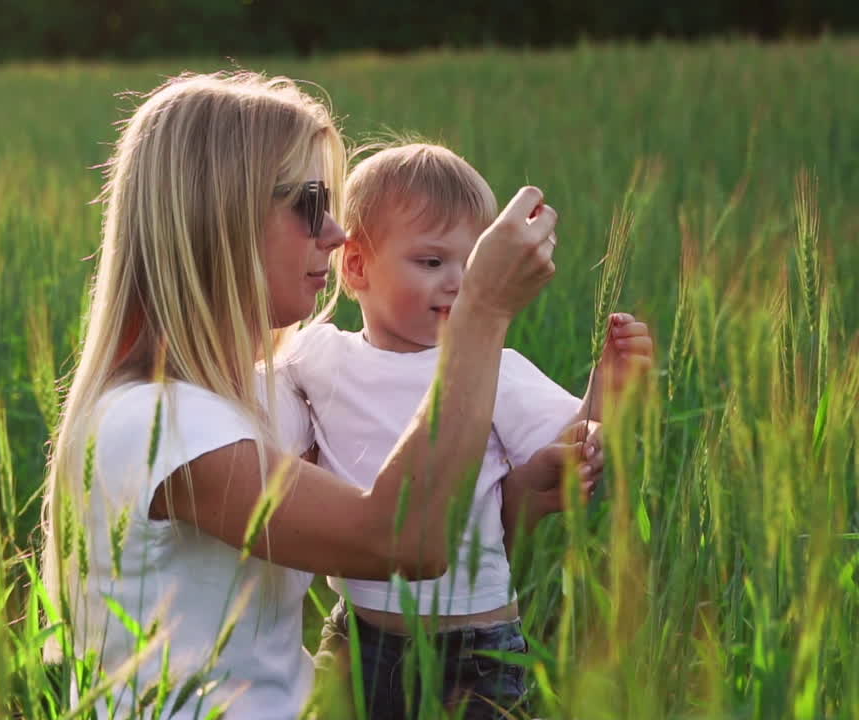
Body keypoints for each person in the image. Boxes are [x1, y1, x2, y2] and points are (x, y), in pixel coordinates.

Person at [40, 71, 568, 719]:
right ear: (219, 214)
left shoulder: (261, 397)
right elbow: (405, 542)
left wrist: (523, 493)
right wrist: (480, 312)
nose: (337, 234)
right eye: (308, 203)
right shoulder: (156, 423)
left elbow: (439, 533)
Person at [291, 142, 654, 719]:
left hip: (472, 650)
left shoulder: (492, 367)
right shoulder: (318, 356)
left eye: (473, 264)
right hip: (356, 638)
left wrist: (604, 393)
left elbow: (567, 444)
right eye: (432, 263)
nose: (459, 284)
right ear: (356, 265)